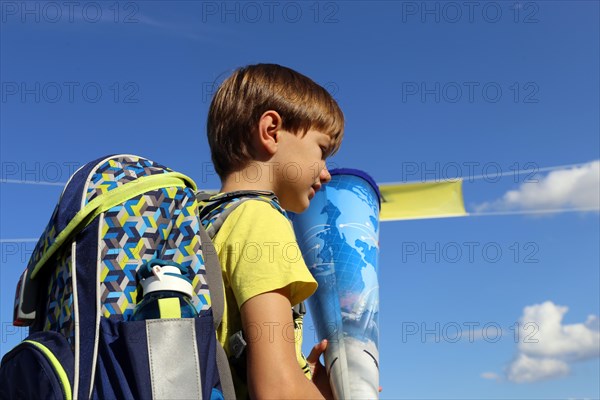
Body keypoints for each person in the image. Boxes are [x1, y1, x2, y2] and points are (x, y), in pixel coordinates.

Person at [205, 63, 344, 399]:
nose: (326, 174)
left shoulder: (211, 221)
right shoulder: (262, 220)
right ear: (270, 131)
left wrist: (305, 380)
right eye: (322, 150)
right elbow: (276, 390)